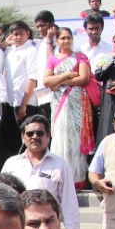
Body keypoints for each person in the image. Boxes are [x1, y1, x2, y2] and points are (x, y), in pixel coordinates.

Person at [1, 115, 80, 229]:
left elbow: (70, 206)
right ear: (22, 137)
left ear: (48, 136)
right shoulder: (12, 164)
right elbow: (1, 200)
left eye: (40, 133)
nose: (35, 136)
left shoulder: (60, 165)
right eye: (30, 133)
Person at [44, 27, 95, 185]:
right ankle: (59, 177)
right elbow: (46, 81)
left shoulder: (80, 57)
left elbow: (83, 78)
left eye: (68, 37)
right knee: (60, 136)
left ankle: (77, 178)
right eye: (62, 38)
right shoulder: (52, 59)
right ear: (57, 41)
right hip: (59, 102)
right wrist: (66, 75)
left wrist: (58, 81)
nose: (66, 41)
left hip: (77, 101)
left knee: (76, 137)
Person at [6, 20, 40, 123]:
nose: (19, 37)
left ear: (28, 34)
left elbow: (32, 79)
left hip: (26, 103)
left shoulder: (31, 51)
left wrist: (23, 104)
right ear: (11, 35)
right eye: (16, 34)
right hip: (12, 102)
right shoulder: (10, 51)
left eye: (21, 34)